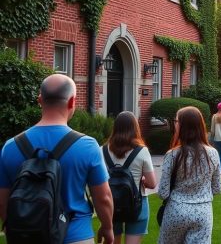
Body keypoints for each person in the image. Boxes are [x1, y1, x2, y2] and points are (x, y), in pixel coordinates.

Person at [0, 74, 114, 244]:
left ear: (40, 100)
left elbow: (3, 201)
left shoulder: (10, 147)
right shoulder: (87, 146)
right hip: (75, 235)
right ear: (72, 101)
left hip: (26, 237)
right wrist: (107, 227)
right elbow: (103, 197)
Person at [158, 107, 221, 244]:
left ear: (182, 126)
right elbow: (217, 189)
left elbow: (163, 192)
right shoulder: (213, 154)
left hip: (176, 211)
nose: (174, 124)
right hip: (203, 212)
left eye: (176, 121)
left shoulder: (172, 155)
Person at [104, 111, 156, 244]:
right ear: (135, 127)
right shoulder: (142, 151)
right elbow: (151, 183)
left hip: (110, 203)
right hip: (137, 203)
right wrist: (141, 180)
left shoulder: (102, 150)